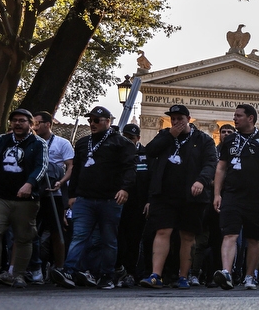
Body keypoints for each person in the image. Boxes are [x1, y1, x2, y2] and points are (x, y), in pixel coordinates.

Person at [53, 106, 136, 290]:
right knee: (79, 235)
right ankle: (69, 270)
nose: (92, 124)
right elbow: (76, 170)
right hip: (84, 198)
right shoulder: (83, 143)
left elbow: (129, 168)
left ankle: (107, 275)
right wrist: (72, 195)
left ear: (108, 121)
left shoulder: (122, 143)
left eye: (96, 120)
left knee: (108, 239)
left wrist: (125, 189)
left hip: (110, 199)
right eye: (90, 120)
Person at [140, 105, 218, 289]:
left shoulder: (203, 139)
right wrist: (170, 136)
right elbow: (149, 151)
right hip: (165, 195)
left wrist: (201, 181)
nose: (175, 122)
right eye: (173, 118)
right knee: (162, 231)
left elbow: (210, 163)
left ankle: (183, 276)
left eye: (179, 118)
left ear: (188, 119)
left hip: (191, 196)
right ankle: (155, 275)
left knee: (187, 235)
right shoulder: (164, 135)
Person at [0, 109, 47, 287]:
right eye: (14, 120)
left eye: (22, 121)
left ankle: (18, 275)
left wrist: (30, 183)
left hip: (26, 200)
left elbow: (41, 167)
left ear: (31, 124)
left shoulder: (38, 143)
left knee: (23, 237)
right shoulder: (1, 141)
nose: (17, 124)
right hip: (0, 196)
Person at [212, 104, 259, 290]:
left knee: (254, 238)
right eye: (234, 115)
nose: (234, 118)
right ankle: (226, 272)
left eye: (238, 116)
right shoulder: (230, 140)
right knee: (230, 234)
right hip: (232, 195)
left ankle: (250, 276)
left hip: (256, 196)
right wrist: (217, 194)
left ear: (250, 118)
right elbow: (221, 168)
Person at [27, 111, 74, 284]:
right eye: (33, 123)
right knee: (30, 231)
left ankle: (60, 268)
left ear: (48, 124)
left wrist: (61, 182)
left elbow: (70, 166)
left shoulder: (63, 143)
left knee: (57, 230)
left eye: (38, 123)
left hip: (55, 193)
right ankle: (31, 267)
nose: (35, 126)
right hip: (34, 192)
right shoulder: (30, 143)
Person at [115, 123, 149, 286]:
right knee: (118, 237)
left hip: (138, 204)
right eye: (125, 137)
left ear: (138, 139)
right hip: (119, 202)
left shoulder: (146, 155)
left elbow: (149, 180)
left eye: (131, 138)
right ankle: (117, 269)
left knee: (134, 239)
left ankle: (131, 271)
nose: (128, 141)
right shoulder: (117, 153)